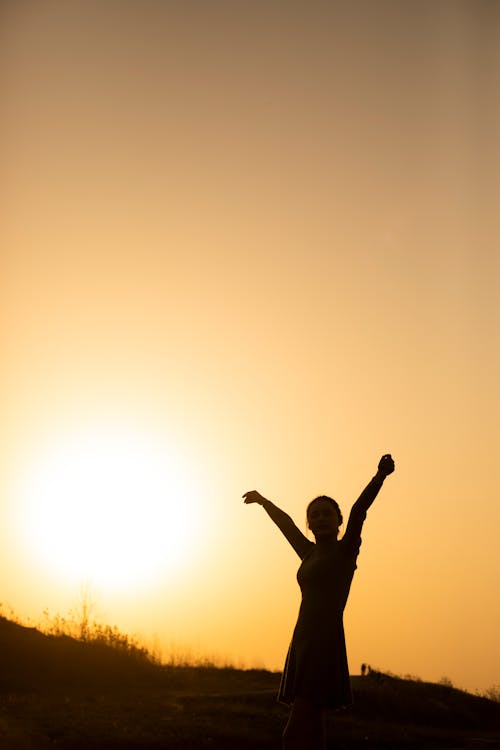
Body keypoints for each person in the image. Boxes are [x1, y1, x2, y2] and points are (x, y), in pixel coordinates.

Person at [243, 453, 395, 750]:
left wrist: (380, 476)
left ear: (339, 521)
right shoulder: (309, 553)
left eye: (327, 513)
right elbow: (286, 524)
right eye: (315, 515)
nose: (321, 518)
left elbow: (359, 509)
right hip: (302, 641)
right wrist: (263, 501)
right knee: (314, 726)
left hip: (324, 644)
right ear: (309, 524)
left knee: (292, 735)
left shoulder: (345, 551)